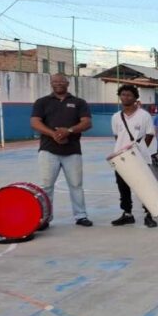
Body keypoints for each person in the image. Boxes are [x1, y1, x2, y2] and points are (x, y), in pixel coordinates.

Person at [30, 73, 93, 227]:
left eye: (61, 81)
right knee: (46, 186)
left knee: (76, 184)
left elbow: (87, 123)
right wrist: (54, 134)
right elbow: (35, 122)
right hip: (48, 150)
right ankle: (45, 218)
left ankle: (81, 216)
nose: (58, 84)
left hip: (72, 150)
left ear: (67, 83)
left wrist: (69, 131)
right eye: (55, 81)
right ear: (51, 83)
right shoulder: (42, 102)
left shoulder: (79, 102)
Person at [110, 85, 158, 228]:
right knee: (123, 187)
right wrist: (122, 151)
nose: (126, 97)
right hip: (121, 158)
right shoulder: (115, 117)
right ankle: (127, 214)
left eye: (129, 95)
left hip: (140, 157)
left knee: (145, 187)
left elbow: (150, 134)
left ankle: (149, 214)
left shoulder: (144, 115)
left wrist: (140, 150)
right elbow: (117, 136)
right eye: (123, 94)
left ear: (135, 97)